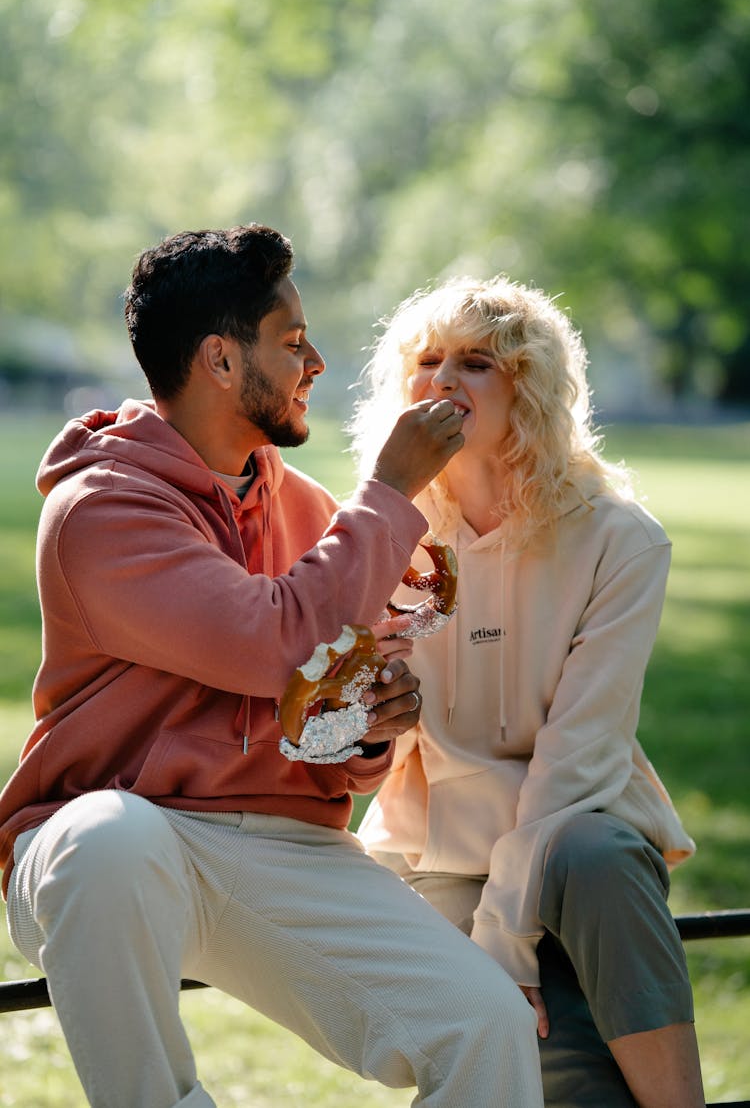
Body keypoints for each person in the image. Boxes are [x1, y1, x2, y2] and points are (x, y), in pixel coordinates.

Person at [0, 228, 545, 1108]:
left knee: (485, 1025)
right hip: (109, 850)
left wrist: (371, 724)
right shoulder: (100, 510)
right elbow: (278, 645)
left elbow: (322, 706)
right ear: (220, 358)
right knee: (111, 839)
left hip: (282, 846)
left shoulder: (314, 514)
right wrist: (393, 489)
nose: (316, 361)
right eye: (292, 343)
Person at [348, 274, 706, 1108]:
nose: (442, 381)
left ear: (529, 386)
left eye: (476, 362)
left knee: (598, 853)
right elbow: (355, 735)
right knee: (569, 1074)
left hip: (576, 833)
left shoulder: (621, 538)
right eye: (427, 361)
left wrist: (509, 932)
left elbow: (582, 754)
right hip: (437, 847)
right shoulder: (380, 531)